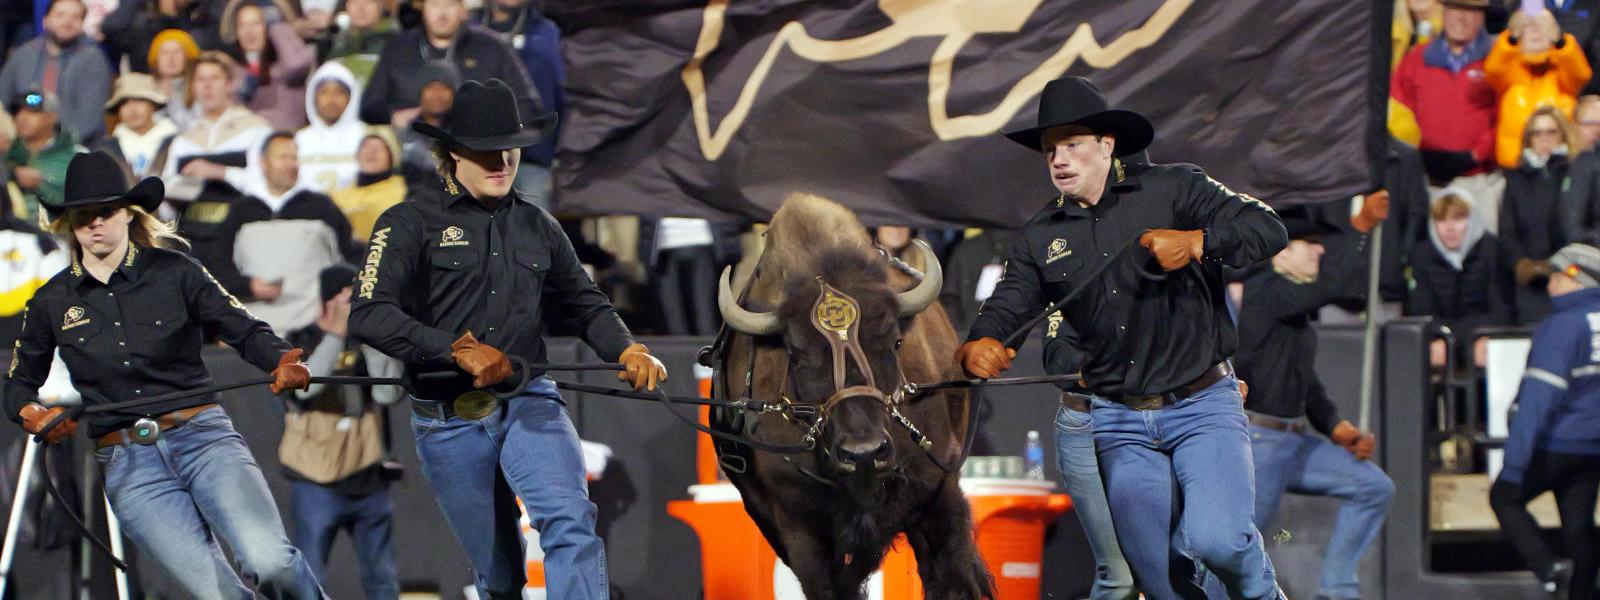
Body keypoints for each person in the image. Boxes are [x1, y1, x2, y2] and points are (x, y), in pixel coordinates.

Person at [957, 75, 1288, 599]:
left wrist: (1201, 241)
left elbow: (1268, 229)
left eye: (1071, 145)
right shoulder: (1041, 235)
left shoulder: (1176, 187)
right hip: (1119, 421)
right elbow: (1009, 301)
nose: (1058, 159)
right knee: (1158, 579)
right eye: (1049, 150)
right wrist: (981, 340)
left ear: (1107, 146)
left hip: (1202, 404)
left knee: (1219, 540)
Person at [349, 78, 667, 599]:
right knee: (499, 576)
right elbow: (368, 313)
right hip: (446, 417)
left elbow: (586, 304)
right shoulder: (407, 222)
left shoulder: (540, 226)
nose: (502, 162)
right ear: (453, 152)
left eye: (510, 149)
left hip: (528, 399)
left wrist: (627, 347)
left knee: (568, 520)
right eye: (486, 151)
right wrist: (453, 348)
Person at [4, 150, 325, 599]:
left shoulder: (177, 272)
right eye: (83, 216)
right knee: (218, 595)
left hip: (203, 438)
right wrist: (31, 412)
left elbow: (244, 330)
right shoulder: (50, 302)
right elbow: (19, 383)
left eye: (105, 212)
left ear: (129, 214)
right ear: (68, 224)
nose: (94, 224)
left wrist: (281, 359)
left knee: (270, 562)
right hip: (127, 462)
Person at [1236, 205, 1395, 600]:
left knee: (1374, 487)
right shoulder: (1265, 290)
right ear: (1282, 252)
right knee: (1235, 547)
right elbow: (1334, 284)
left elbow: (1305, 385)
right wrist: (1357, 229)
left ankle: (1336, 591)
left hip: (1293, 441)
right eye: (1311, 244)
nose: (1319, 252)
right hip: (1261, 442)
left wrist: (1337, 427)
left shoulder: (1294, 311)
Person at [282, 262, 401, 600]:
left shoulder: (369, 344)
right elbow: (304, 392)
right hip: (315, 480)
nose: (354, 307)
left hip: (368, 475)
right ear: (328, 300)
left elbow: (387, 394)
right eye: (348, 299)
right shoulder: (300, 339)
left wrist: (373, 337)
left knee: (383, 578)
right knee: (311, 576)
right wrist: (335, 336)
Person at [1490, 242, 1600, 600]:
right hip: (1593, 447)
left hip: (1559, 442)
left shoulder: (1563, 325)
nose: (1549, 283)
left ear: (1575, 277)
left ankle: (1551, 572)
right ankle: (1581, 592)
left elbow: (1537, 400)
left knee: (1505, 498)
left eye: (1556, 275)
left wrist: (1514, 465)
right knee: (1578, 529)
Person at [1044, 313, 1136, 600]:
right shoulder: (1071, 271)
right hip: (1085, 418)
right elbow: (1057, 353)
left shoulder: (1158, 275)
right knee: (1119, 578)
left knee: (1170, 562)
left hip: (1153, 420)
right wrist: (1092, 368)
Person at [232, 131, 356, 336]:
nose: (291, 164)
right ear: (263, 163)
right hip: (255, 329)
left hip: (311, 329)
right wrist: (248, 286)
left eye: (294, 157)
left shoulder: (321, 206)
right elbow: (218, 264)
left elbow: (349, 252)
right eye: (283, 157)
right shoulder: (241, 210)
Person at [1392, 0, 1504, 225]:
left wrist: (1475, 155)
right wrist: (1416, 155)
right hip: (1425, 179)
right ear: (1443, 11)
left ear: (1482, 16)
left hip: (1479, 181)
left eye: (1470, 11)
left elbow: (1504, 116)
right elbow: (1398, 109)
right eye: (1454, 8)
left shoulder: (1497, 61)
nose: (1460, 17)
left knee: (1484, 253)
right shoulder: (1416, 58)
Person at [1406, 189, 1514, 369]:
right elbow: (1421, 312)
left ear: (1472, 220)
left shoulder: (1492, 250)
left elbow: (1501, 312)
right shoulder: (1421, 255)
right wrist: (1445, 337)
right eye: (1442, 220)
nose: (1450, 228)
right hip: (1441, 338)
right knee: (1434, 352)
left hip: (1478, 334)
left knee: (1484, 350)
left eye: (1458, 219)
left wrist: (1457, 336)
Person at [1485, 6, 1592, 170]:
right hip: (1515, 167)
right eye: (1528, 25)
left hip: (1561, 166)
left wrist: (1561, 41)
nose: (1536, 30)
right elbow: (1493, 69)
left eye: (1543, 25)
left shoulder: (1562, 72)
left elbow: (1580, 74)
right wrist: (1511, 38)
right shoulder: (1510, 72)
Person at [161, 51, 272, 202]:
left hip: (242, 221)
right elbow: (168, 203)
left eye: (215, 78)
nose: (207, 86)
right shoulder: (182, 142)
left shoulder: (255, 130)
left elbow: (267, 187)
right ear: (192, 87)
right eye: (200, 79)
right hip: (192, 224)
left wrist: (222, 173)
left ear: (229, 84)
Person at [1503, 106, 1578, 323]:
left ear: (1562, 134)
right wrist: (1522, 264)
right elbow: (1508, 230)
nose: (1544, 138)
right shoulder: (1515, 180)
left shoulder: (1575, 173)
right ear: (1529, 139)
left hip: (1569, 277)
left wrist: (1559, 265)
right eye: (1537, 133)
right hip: (1529, 284)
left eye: (1551, 132)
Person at [0, 0, 112, 142]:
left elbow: (89, 119)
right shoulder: (23, 55)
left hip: (73, 147)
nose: (67, 22)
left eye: (75, 17)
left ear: (82, 24)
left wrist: (56, 148)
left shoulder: (92, 59)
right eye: (60, 15)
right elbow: (2, 101)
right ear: (45, 21)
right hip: (21, 145)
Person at [221, 0, 315, 130]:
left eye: (256, 24)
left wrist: (277, 25)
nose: (249, 31)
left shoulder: (284, 67)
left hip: (287, 140)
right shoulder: (233, 70)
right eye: (242, 25)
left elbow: (297, 65)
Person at [6, 91, 82, 224]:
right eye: (17, 112)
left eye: (32, 112)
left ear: (51, 116)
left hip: (58, 232)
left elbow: (81, 205)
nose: (22, 117)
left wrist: (41, 185)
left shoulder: (76, 157)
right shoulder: (6, 154)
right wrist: (10, 173)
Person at [296, 61, 365, 192]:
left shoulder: (365, 136)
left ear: (351, 97)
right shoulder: (299, 140)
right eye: (324, 92)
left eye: (339, 92)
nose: (331, 99)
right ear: (313, 97)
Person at [329, 127, 406, 244]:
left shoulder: (405, 192)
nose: (371, 151)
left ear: (392, 157)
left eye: (380, 148)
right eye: (366, 146)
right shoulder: (336, 197)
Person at [100, 0, 220, 73]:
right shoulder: (140, 25)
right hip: (148, 90)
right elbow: (110, 28)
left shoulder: (201, 22)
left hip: (190, 93)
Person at [103, 73, 179, 179]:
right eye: (124, 103)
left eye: (139, 100)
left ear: (154, 104)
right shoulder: (107, 148)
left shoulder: (176, 143)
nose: (132, 109)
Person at [396, 60, 457, 187]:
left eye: (444, 88)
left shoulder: (464, 133)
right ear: (420, 92)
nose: (437, 94)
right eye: (430, 87)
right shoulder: (404, 133)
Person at [323, 0, 399, 84]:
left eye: (369, 2)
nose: (361, 8)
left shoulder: (395, 42)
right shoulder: (332, 43)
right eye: (354, 1)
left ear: (382, 6)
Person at [148, 28, 202, 130]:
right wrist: (160, 101)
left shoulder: (198, 87)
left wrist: (171, 102)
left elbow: (195, 127)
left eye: (177, 52)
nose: (171, 58)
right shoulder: (146, 89)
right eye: (165, 53)